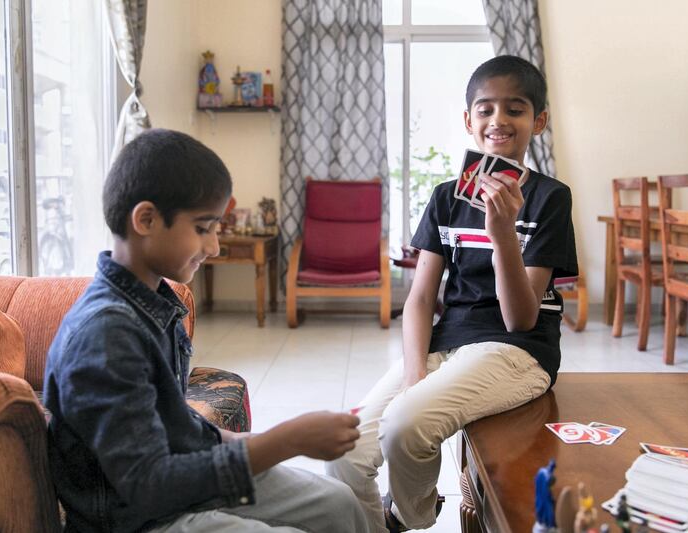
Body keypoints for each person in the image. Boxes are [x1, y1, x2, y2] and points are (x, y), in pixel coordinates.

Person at [44, 129, 369, 533]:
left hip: (181, 487)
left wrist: (272, 440)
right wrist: (287, 441)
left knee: (338, 505)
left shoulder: (155, 304)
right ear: (146, 219)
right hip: (137, 520)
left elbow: (179, 429)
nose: (214, 247)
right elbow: (149, 485)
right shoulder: (106, 336)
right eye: (203, 228)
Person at [326, 55, 578, 532]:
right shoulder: (446, 196)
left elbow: (521, 319)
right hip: (449, 341)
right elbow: (420, 299)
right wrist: (416, 370)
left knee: (405, 425)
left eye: (515, 109)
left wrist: (503, 232)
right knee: (344, 455)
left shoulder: (550, 198)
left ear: (538, 121)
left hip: (518, 350)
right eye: (485, 109)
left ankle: (407, 515)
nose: (498, 120)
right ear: (469, 121)